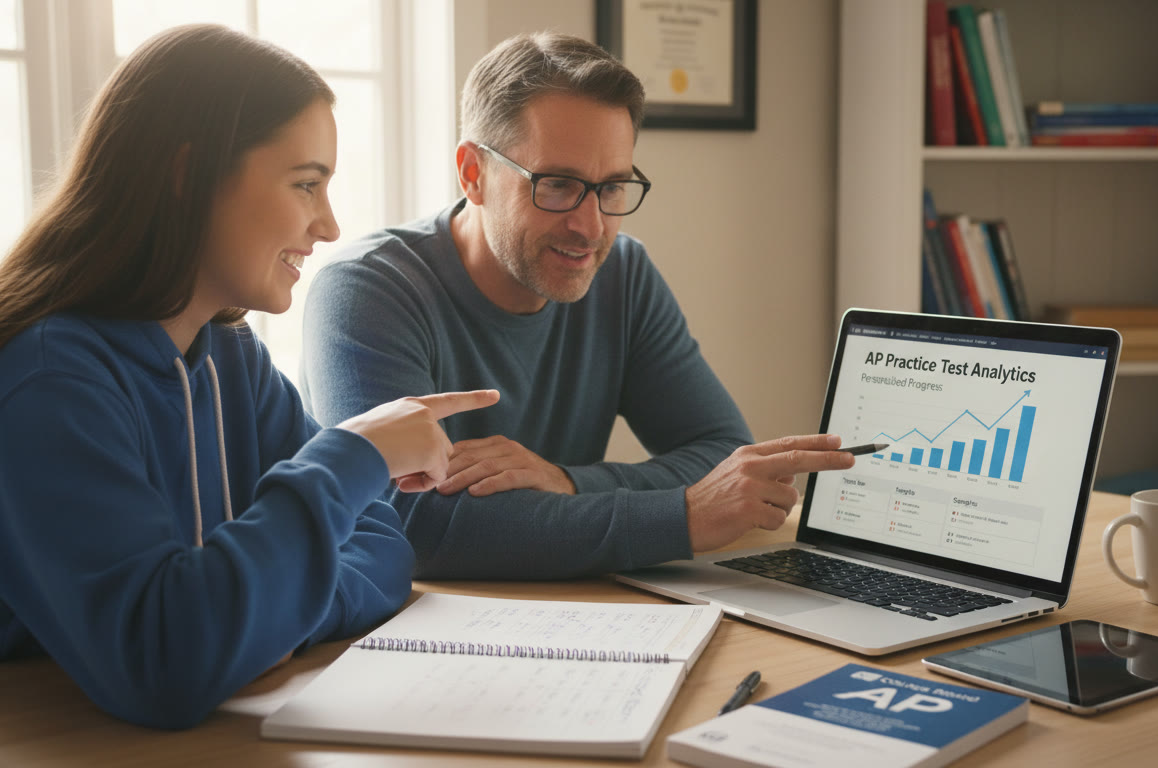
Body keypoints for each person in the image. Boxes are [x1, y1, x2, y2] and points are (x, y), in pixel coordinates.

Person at [0, 25, 498, 730]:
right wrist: (355, 453)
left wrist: (249, 618)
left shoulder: (231, 357)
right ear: (188, 173)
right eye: (306, 184)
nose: (328, 225)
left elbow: (385, 548)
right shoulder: (47, 382)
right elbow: (168, 661)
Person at [301, 31, 854, 581]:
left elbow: (720, 453)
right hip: (411, 634)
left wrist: (567, 481)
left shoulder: (623, 274)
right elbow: (412, 524)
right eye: (558, 185)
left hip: (582, 617)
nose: (590, 228)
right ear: (473, 173)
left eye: (612, 188)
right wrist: (681, 517)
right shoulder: (366, 291)